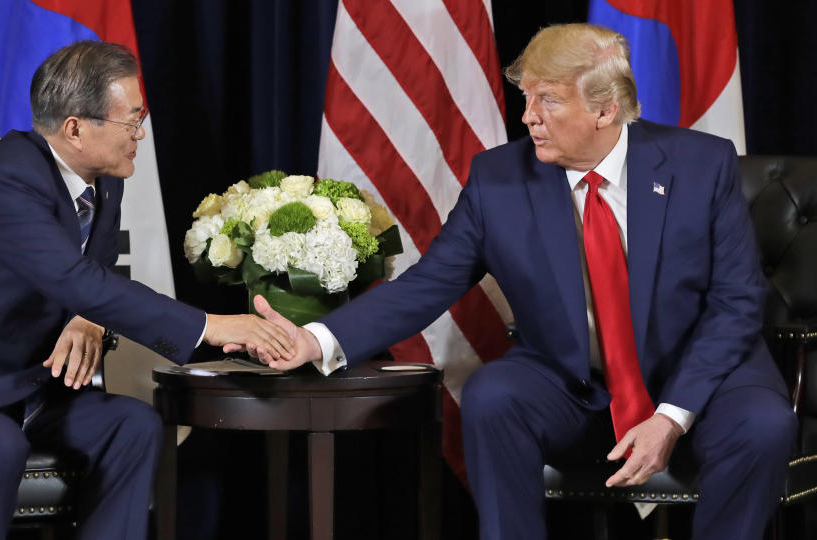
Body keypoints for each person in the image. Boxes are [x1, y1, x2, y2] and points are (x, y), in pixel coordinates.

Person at [246, 24, 797, 539]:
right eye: (527, 98)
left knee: (763, 424)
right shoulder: (499, 178)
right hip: (576, 385)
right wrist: (316, 339)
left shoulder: (701, 164)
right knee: (493, 395)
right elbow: (428, 284)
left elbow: (736, 302)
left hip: (700, 377)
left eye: (548, 101)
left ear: (605, 109)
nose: (529, 116)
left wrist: (671, 416)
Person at [0, 41, 292, 540]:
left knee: (135, 426)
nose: (141, 134)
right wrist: (211, 325)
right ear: (75, 128)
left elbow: (96, 269)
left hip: (27, 386)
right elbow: (75, 278)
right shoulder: (7, 179)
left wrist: (88, 319)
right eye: (131, 121)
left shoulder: (105, 181)